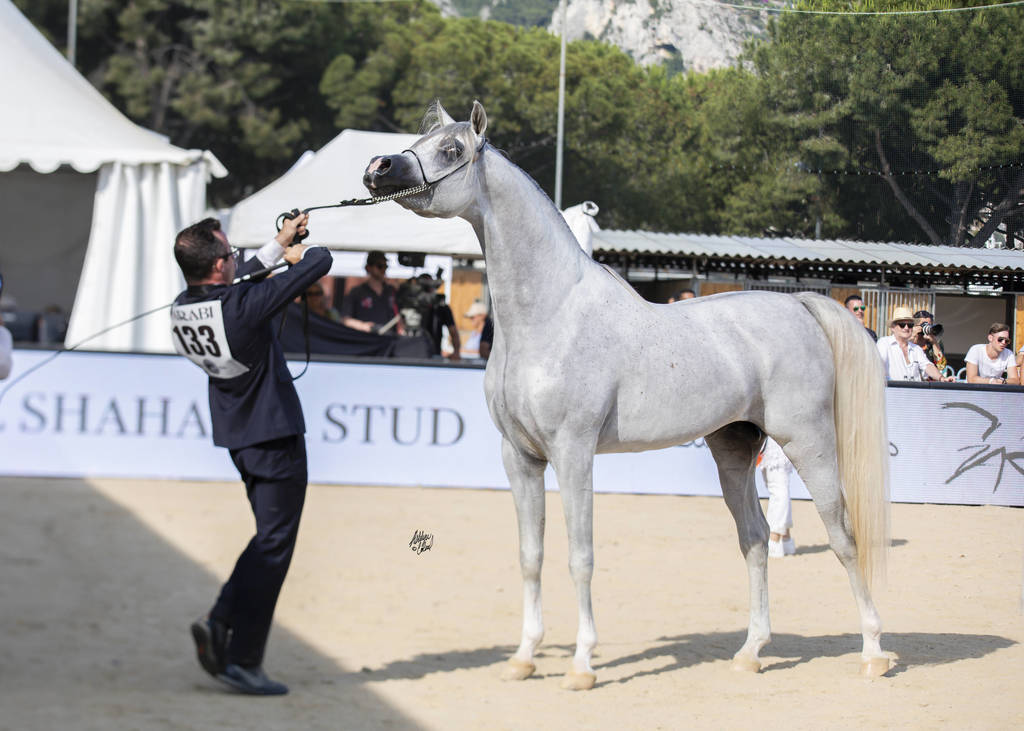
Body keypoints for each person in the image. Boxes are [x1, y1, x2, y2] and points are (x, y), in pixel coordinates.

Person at [171, 214, 331, 696]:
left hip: (239, 438)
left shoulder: (183, 306)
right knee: (274, 548)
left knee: (268, 538)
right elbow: (320, 262)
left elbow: (236, 283)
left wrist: (278, 243)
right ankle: (240, 654)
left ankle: (221, 621)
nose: (237, 259)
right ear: (219, 265)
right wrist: (298, 256)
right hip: (275, 437)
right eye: (231, 254)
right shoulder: (240, 305)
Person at [876, 306, 954, 382]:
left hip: (914, 392)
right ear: (893, 327)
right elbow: (876, 365)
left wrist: (942, 378)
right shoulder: (884, 343)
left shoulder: (916, 349)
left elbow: (928, 366)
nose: (906, 328)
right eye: (902, 325)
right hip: (893, 392)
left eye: (910, 325)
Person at [340, 251, 401, 334]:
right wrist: (363, 326)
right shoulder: (357, 292)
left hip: (389, 339)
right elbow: (345, 319)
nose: (383, 270)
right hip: (366, 340)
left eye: (385, 266)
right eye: (380, 266)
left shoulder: (391, 291)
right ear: (368, 268)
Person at [761, 437, 795, 558]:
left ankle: (774, 538)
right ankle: (786, 538)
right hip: (771, 441)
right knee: (777, 488)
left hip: (775, 442)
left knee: (778, 489)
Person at [910, 309, 947, 374]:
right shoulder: (908, 340)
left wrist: (934, 342)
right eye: (923, 324)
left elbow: (941, 366)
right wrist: (912, 337)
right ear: (914, 326)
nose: (926, 327)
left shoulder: (936, 342)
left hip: (929, 380)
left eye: (928, 325)